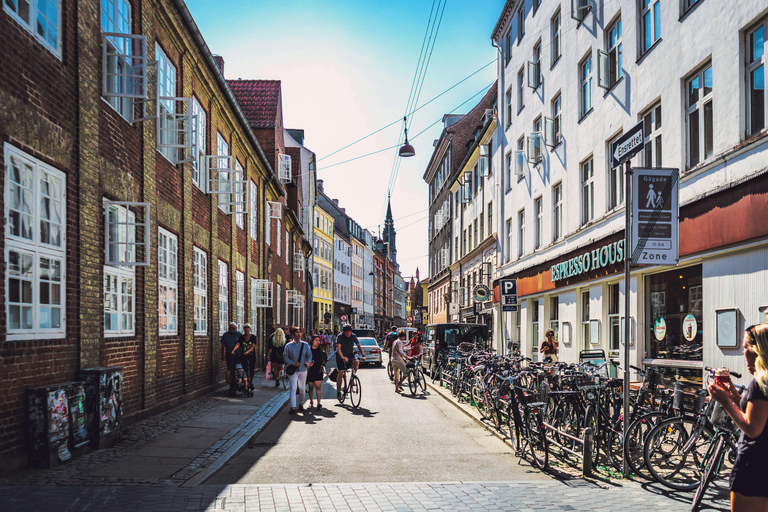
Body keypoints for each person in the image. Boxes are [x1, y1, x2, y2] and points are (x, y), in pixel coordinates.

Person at [708, 324, 768, 512]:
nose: (742, 353)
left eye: (745, 347)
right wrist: (735, 397)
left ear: (756, 350)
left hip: (753, 465)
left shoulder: (760, 384)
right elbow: (758, 412)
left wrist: (725, 402)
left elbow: (753, 427)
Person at [283, 326, 312, 414]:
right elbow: (285, 357)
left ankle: (300, 403)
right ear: (292, 334)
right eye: (296, 332)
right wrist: (292, 363)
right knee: (293, 387)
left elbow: (309, 355)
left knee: (302, 388)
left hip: (303, 369)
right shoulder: (288, 346)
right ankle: (292, 406)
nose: (299, 334)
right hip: (293, 370)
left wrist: (309, 362)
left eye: (300, 332)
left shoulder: (305, 345)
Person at [335, 324, 365, 400]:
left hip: (350, 354)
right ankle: (338, 392)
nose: (348, 333)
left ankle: (353, 376)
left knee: (356, 362)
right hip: (340, 356)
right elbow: (338, 348)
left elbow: (358, 346)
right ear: (343, 332)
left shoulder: (353, 336)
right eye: (347, 332)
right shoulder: (340, 336)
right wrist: (343, 357)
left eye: (350, 332)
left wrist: (363, 355)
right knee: (341, 373)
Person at [220, 322, 242, 394]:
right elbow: (223, 346)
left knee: (238, 369)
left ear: (236, 328)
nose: (231, 329)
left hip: (237, 355)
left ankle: (239, 382)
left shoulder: (239, 335)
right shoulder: (225, 335)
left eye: (233, 328)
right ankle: (232, 385)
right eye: (230, 328)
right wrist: (222, 355)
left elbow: (242, 345)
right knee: (230, 369)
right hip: (229, 355)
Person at [307, 334, 327, 410]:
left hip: (318, 370)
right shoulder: (308, 350)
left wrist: (323, 364)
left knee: (318, 387)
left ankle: (319, 403)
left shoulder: (321, 350)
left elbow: (325, 359)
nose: (318, 342)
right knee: (311, 387)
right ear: (312, 341)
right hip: (310, 370)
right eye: (316, 340)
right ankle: (311, 401)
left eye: (319, 340)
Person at [237, 323, 257, 391]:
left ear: (250, 328)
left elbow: (253, 346)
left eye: (248, 327)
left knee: (251, 369)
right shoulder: (241, 337)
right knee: (245, 369)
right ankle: (246, 382)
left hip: (251, 355)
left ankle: (250, 382)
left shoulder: (253, 337)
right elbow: (238, 345)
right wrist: (235, 351)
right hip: (243, 356)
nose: (246, 328)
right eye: (245, 327)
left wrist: (248, 351)